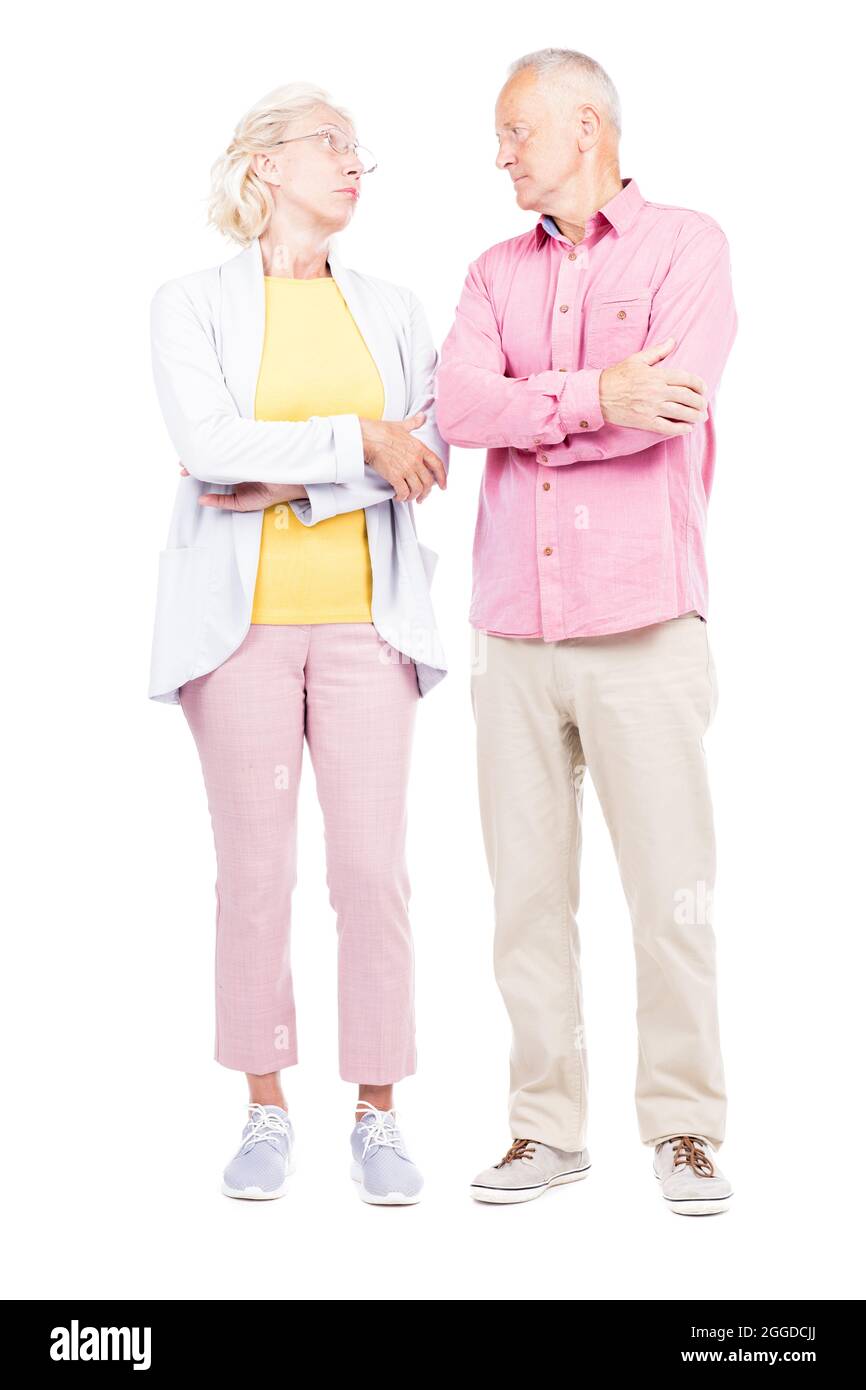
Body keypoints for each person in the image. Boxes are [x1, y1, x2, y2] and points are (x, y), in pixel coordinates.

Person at [435, 49, 737, 1214]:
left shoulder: (687, 247)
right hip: (511, 630)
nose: (500, 152)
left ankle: (685, 1128)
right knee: (523, 898)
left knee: (670, 892)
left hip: (640, 624)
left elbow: (669, 405)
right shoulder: (486, 271)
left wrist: (549, 406)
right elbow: (458, 409)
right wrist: (590, 394)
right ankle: (542, 1129)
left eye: (515, 130)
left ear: (585, 127)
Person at [147, 81, 448, 1204]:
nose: (353, 162)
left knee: (371, 873)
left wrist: (292, 477)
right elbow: (206, 441)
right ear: (265, 163)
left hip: (370, 622)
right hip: (239, 636)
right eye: (330, 143)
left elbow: (428, 458)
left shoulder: (396, 305)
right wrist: (356, 443)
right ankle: (264, 1106)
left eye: (360, 149)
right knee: (255, 874)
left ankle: (378, 1111)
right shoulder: (189, 303)